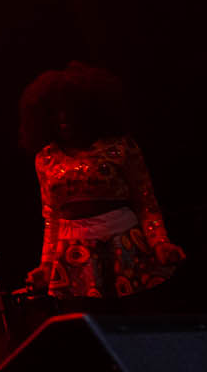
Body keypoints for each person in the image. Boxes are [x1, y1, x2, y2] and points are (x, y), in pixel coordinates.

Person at [18, 63, 185, 303]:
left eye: (72, 110)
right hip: (73, 254)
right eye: (56, 112)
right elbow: (51, 217)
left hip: (125, 245)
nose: (64, 118)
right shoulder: (46, 158)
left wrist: (160, 242)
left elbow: (145, 200)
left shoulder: (120, 147)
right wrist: (46, 265)